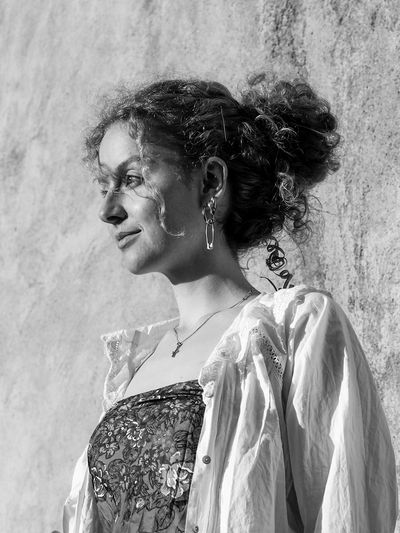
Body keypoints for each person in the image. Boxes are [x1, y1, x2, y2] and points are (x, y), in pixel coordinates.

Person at [62, 75, 398, 533]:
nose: (108, 210)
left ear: (211, 181)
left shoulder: (292, 329)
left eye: (132, 178)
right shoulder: (130, 368)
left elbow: (347, 514)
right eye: (104, 185)